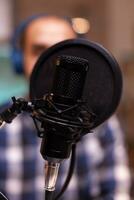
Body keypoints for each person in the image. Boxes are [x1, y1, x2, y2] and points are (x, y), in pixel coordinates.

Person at [0, 14, 131, 200]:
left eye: (62, 52)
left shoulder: (102, 123)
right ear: (19, 60)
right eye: (39, 50)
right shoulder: (3, 122)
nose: (54, 63)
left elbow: (116, 194)